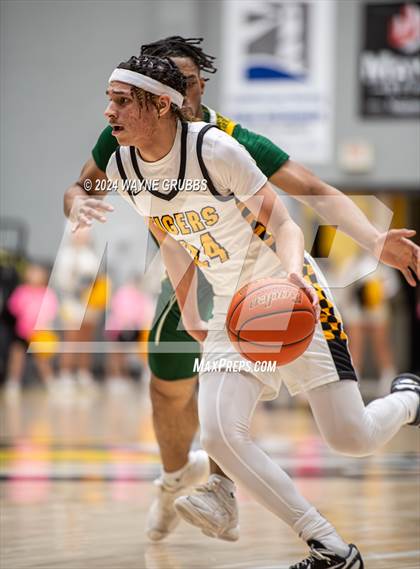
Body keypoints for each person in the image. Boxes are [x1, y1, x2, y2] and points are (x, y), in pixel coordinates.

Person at [64, 36, 420, 546]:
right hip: (227, 300)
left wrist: (359, 246)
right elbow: (159, 231)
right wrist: (189, 308)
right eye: (111, 99)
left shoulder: (223, 144)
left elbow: (300, 208)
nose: (109, 110)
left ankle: (409, 398)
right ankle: (323, 542)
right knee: (213, 427)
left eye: (190, 82)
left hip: (283, 285)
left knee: (350, 436)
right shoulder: (123, 158)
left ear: (176, 94)